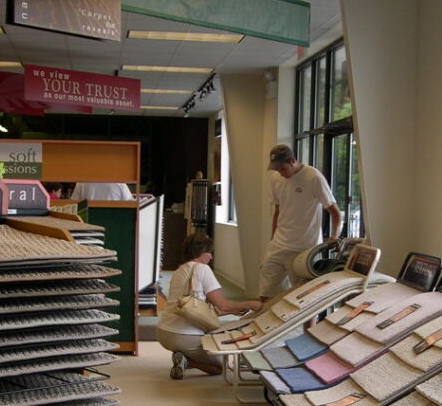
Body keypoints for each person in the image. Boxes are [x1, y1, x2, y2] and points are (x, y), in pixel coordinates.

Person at [156, 230, 262, 379]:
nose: (211, 257)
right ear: (201, 252)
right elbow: (222, 305)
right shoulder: (202, 269)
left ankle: (183, 355)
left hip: (163, 333)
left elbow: (197, 308)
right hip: (185, 336)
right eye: (210, 252)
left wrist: (236, 309)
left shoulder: (179, 271)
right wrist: (251, 304)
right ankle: (188, 361)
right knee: (218, 368)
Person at [259, 144, 342, 301]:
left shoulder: (313, 177)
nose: (280, 173)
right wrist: (272, 238)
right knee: (265, 294)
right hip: (278, 245)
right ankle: (268, 325)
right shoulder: (276, 178)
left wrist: (334, 236)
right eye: (276, 169)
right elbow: (278, 210)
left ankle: (309, 327)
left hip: (304, 248)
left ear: (292, 160)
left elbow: (336, 213)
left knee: (306, 298)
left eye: (283, 169)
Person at [70, 181, 135, 201]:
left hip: (88, 226)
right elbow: (131, 204)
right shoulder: (119, 183)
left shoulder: (82, 182)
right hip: (113, 223)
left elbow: (73, 203)